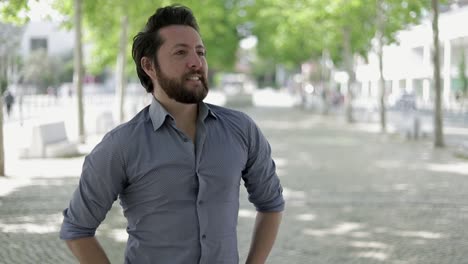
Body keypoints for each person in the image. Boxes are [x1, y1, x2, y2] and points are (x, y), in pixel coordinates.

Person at [60, 4, 285, 264]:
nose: (196, 62)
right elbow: (77, 229)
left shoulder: (241, 129)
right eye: (181, 52)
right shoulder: (121, 146)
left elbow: (271, 203)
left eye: (200, 52)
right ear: (149, 66)